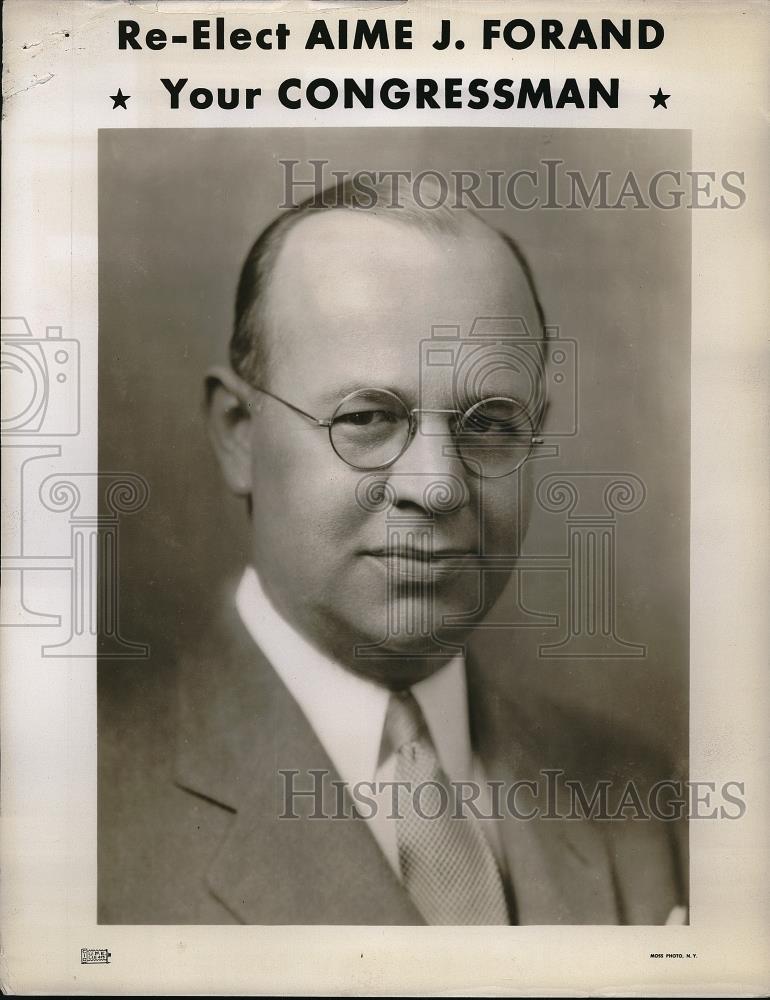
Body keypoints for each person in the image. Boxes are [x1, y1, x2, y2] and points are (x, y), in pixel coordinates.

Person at [98, 179, 687, 925]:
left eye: (490, 423)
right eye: (369, 418)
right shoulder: (72, 809)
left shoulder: (656, 800)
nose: (438, 487)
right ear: (238, 433)